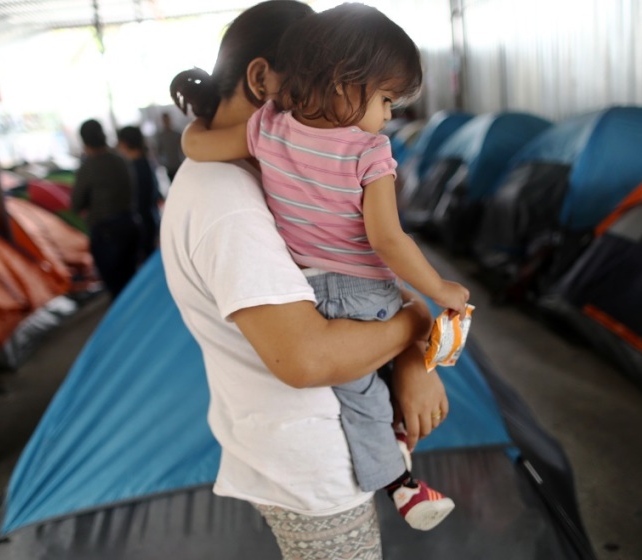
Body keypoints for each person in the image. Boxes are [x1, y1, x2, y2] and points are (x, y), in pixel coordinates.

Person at [162, 2, 448, 558]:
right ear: (263, 79)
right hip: (312, 466)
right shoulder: (228, 202)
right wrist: (417, 321)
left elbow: (358, 279)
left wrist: (413, 354)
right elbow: (307, 359)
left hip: (317, 448)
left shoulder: (269, 174)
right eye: (318, 78)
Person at [71, 119, 140, 299]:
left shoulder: (88, 167)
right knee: (132, 281)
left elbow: (76, 204)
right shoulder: (121, 159)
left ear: (84, 141)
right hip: (130, 223)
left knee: (116, 288)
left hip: (106, 233)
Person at [116, 125, 163, 262]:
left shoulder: (135, 168)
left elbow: (139, 200)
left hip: (144, 222)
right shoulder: (146, 162)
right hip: (151, 218)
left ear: (124, 144)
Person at [155, 112, 183, 182]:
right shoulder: (161, 136)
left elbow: (183, 149)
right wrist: (162, 162)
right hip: (169, 165)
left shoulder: (177, 134)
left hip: (178, 163)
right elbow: (158, 151)